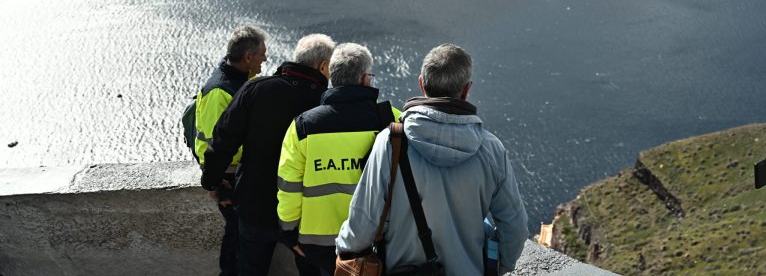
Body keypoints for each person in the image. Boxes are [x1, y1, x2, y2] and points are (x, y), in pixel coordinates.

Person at [336, 43, 529, 276]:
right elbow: (515, 228)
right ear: (466, 90)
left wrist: (344, 250)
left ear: (421, 84)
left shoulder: (391, 141)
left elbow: (363, 222)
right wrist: (500, 267)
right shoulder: (491, 150)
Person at [201, 33, 336, 276]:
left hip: (254, 207)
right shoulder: (326, 104)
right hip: (304, 216)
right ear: (323, 66)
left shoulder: (255, 89)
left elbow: (222, 141)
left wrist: (212, 182)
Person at [277, 43, 401, 275]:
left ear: (332, 77)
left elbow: (289, 185)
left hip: (317, 244)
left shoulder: (303, 126)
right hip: (374, 241)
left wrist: (288, 232)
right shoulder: (391, 119)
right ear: (365, 79)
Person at [195, 25, 268, 276]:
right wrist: (217, 184)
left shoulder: (242, 81)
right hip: (228, 176)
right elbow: (218, 144)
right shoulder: (220, 91)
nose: (265, 59)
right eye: (262, 54)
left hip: (235, 174)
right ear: (248, 58)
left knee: (239, 235)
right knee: (237, 238)